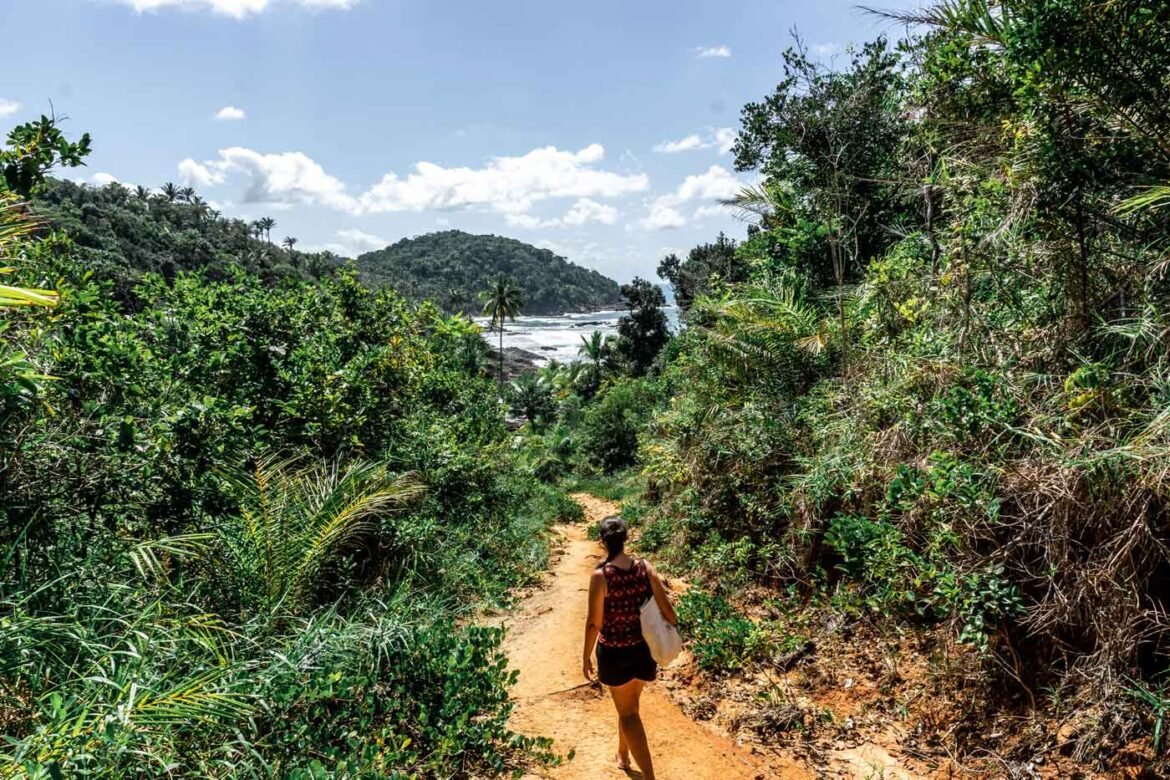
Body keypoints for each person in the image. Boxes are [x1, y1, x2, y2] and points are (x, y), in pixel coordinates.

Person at [582, 516, 677, 779]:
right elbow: (668, 610)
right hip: (643, 651)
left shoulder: (601, 576)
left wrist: (585, 656)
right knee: (630, 707)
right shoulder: (645, 568)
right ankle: (623, 755)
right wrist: (673, 631)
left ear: (602, 541)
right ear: (626, 538)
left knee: (628, 713)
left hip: (615, 654)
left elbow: (593, 624)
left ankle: (649, 776)